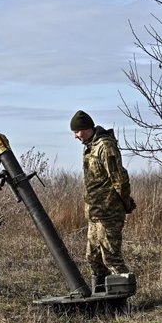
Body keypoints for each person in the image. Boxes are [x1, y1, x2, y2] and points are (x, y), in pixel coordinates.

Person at [70, 110, 136, 293]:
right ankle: (101, 297)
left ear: (87, 128)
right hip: (95, 213)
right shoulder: (90, 146)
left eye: (77, 132)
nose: (76, 136)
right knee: (93, 257)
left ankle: (123, 300)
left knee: (112, 258)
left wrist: (125, 203)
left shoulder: (105, 147)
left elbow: (119, 179)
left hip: (109, 212)